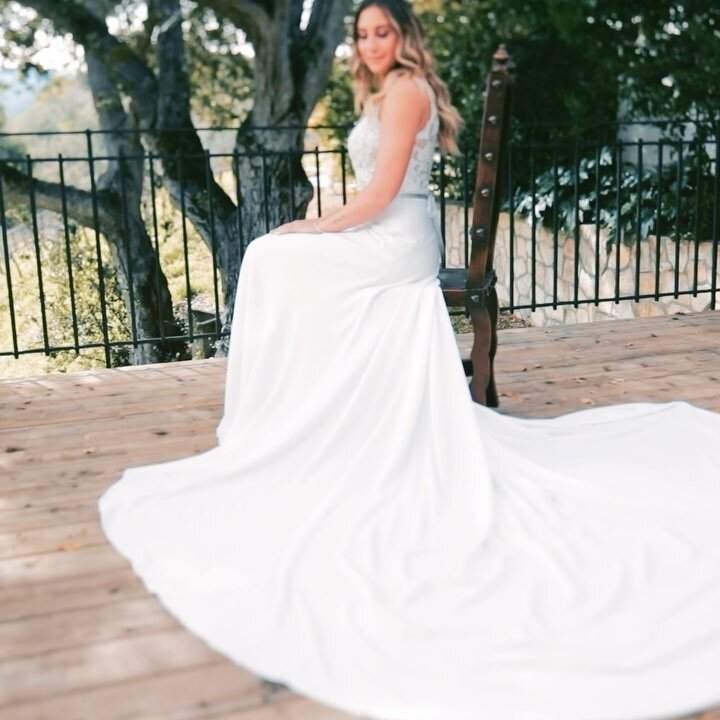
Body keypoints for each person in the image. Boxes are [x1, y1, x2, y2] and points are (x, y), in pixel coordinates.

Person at [98, 1, 720, 718]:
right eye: (361, 35)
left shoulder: (408, 90)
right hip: (390, 225)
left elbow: (384, 193)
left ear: (404, 36)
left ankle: (285, 417)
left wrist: (314, 225)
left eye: (381, 31)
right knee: (274, 258)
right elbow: (374, 191)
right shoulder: (385, 89)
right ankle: (312, 408)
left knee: (273, 258)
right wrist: (319, 225)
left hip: (397, 236)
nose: (369, 43)